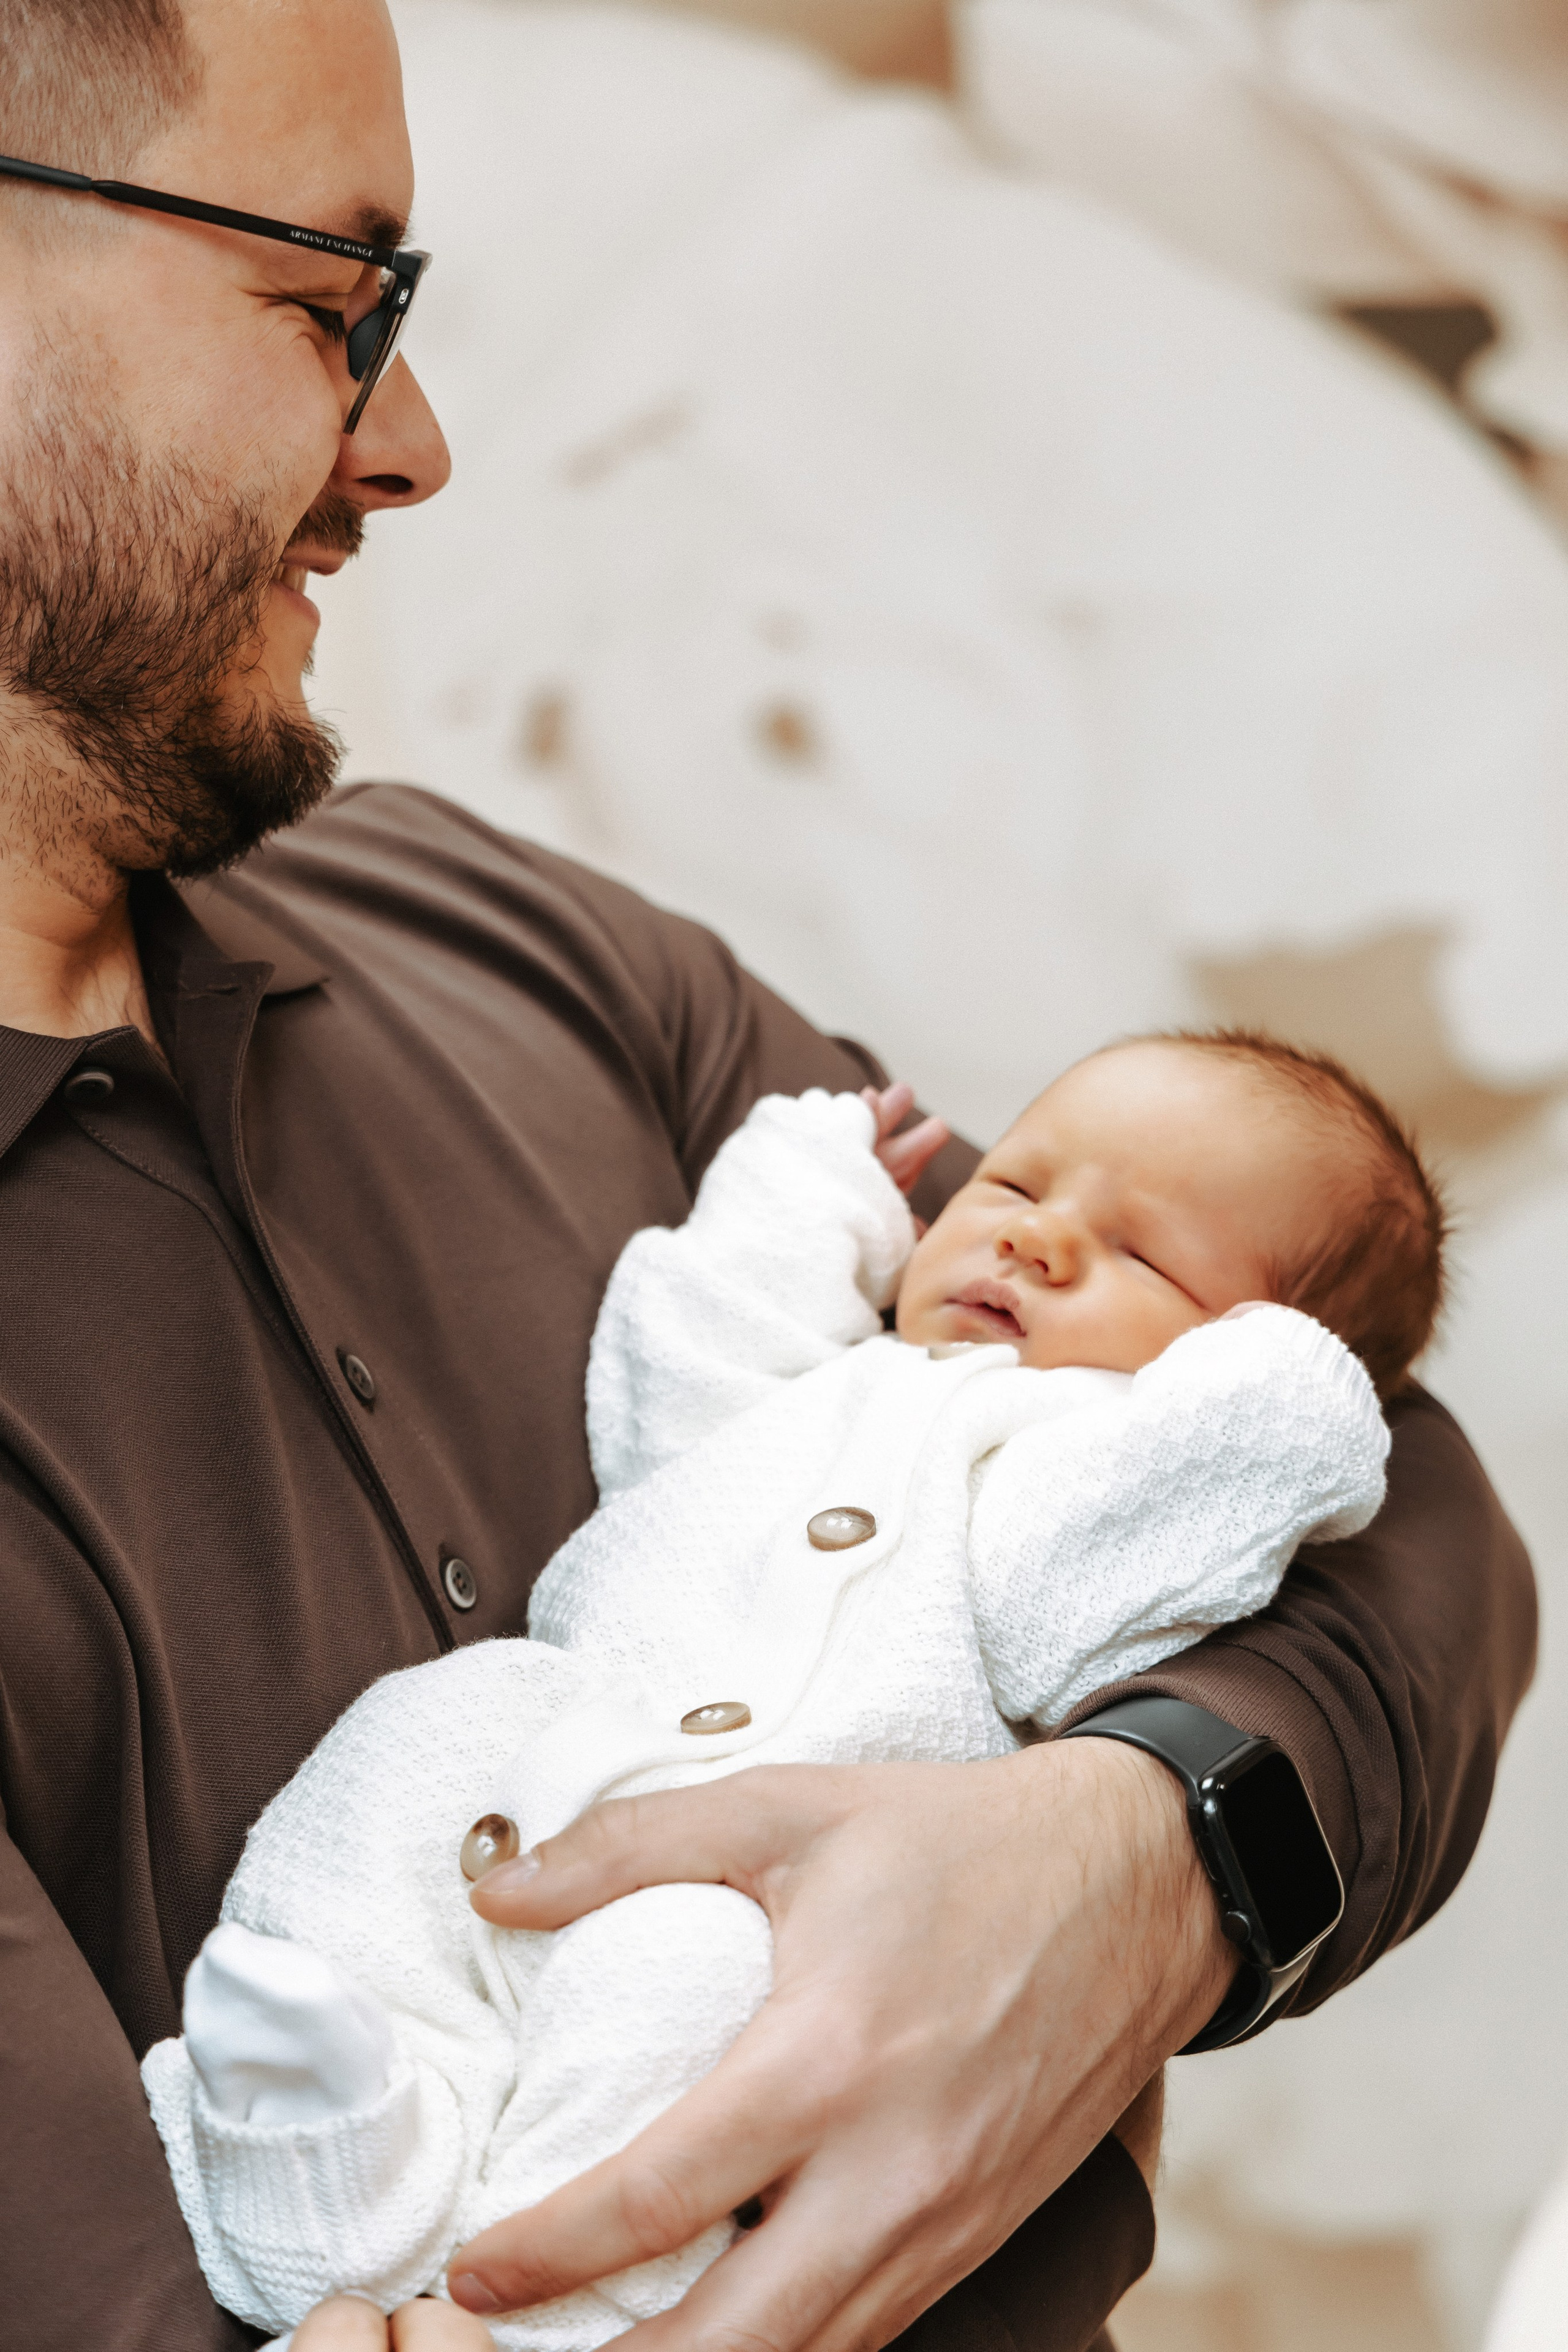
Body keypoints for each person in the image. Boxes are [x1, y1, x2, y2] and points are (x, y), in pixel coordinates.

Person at [0, 4, 1536, 2351]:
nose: (408, 448)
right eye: (328, 305)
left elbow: (1400, 1496)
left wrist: (1138, 1852)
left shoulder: (518, 945)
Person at [141, 1036, 1407, 2341]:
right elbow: (683, 1359)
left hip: (766, 1901)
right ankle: (324, 2157)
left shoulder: (1079, 1469)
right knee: (400, 1752)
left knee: (678, 1986)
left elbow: (1066, 1618)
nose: (1034, 1244)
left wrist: (1287, 1398)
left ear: (1238, 1361)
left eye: (1142, 1256)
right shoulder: (819, 1381)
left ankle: (542, 2302)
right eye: (1016, 1188)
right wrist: (811, 1186)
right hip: (552, 1746)